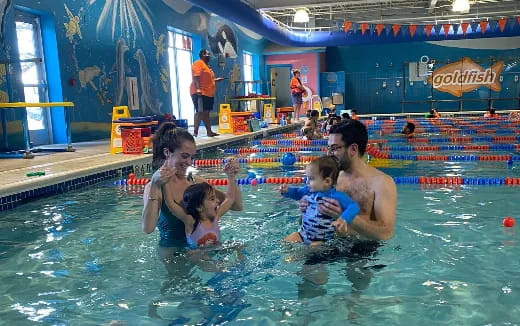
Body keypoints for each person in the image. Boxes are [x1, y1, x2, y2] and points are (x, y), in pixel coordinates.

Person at [141, 122, 242, 275]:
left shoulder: (195, 183)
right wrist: (155, 185)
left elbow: (236, 206)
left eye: (192, 157)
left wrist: (232, 177)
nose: (189, 162)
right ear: (167, 152)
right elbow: (147, 229)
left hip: (204, 246)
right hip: (173, 253)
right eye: (184, 156)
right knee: (187, 296)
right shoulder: (155, 186)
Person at [315, 119, 397, 241]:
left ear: (353, 149)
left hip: (363, 251)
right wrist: (308, 208)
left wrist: (346, 216)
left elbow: (386, 233)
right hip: (328, 240)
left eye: (334, 148)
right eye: (329, 148)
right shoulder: (332, 177)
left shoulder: (381, 183)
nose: (329, 154)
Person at [280, 156, 360, 246]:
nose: (307, 182)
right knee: (285, 242)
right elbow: (297, 193)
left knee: (313, 248)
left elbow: (354, 206)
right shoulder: (309, 191)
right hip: (303, 234)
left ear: (327, 181)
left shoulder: (336, 197)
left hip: (321, 240)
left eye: (311, 179)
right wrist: (287, 191)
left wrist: (343, 219)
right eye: (307, 178)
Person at [190, 49, 225, 137]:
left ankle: (209, 132)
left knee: (206, 113)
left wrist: (216, 80)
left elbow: (208, 79)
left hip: (208, 93)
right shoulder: (198, 63)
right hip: (200, 92)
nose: (209, 56)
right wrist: (198, 89)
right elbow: (196, 77)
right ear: (203, 55)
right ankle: (195, 133)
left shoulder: (207, 66)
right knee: (200, 112)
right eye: (208, 54)